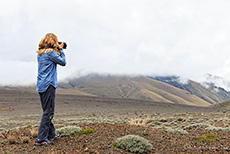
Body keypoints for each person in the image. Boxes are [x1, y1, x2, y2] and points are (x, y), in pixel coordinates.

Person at [35, 33, 66, 146]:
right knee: (49, 112)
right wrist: (61, 50)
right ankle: (41, 138)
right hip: (49, 85)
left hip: (41, 85)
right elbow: (63, 62)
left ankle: (51, 134)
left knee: (46, 111)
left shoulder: (40, 53)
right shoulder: (50, 53)